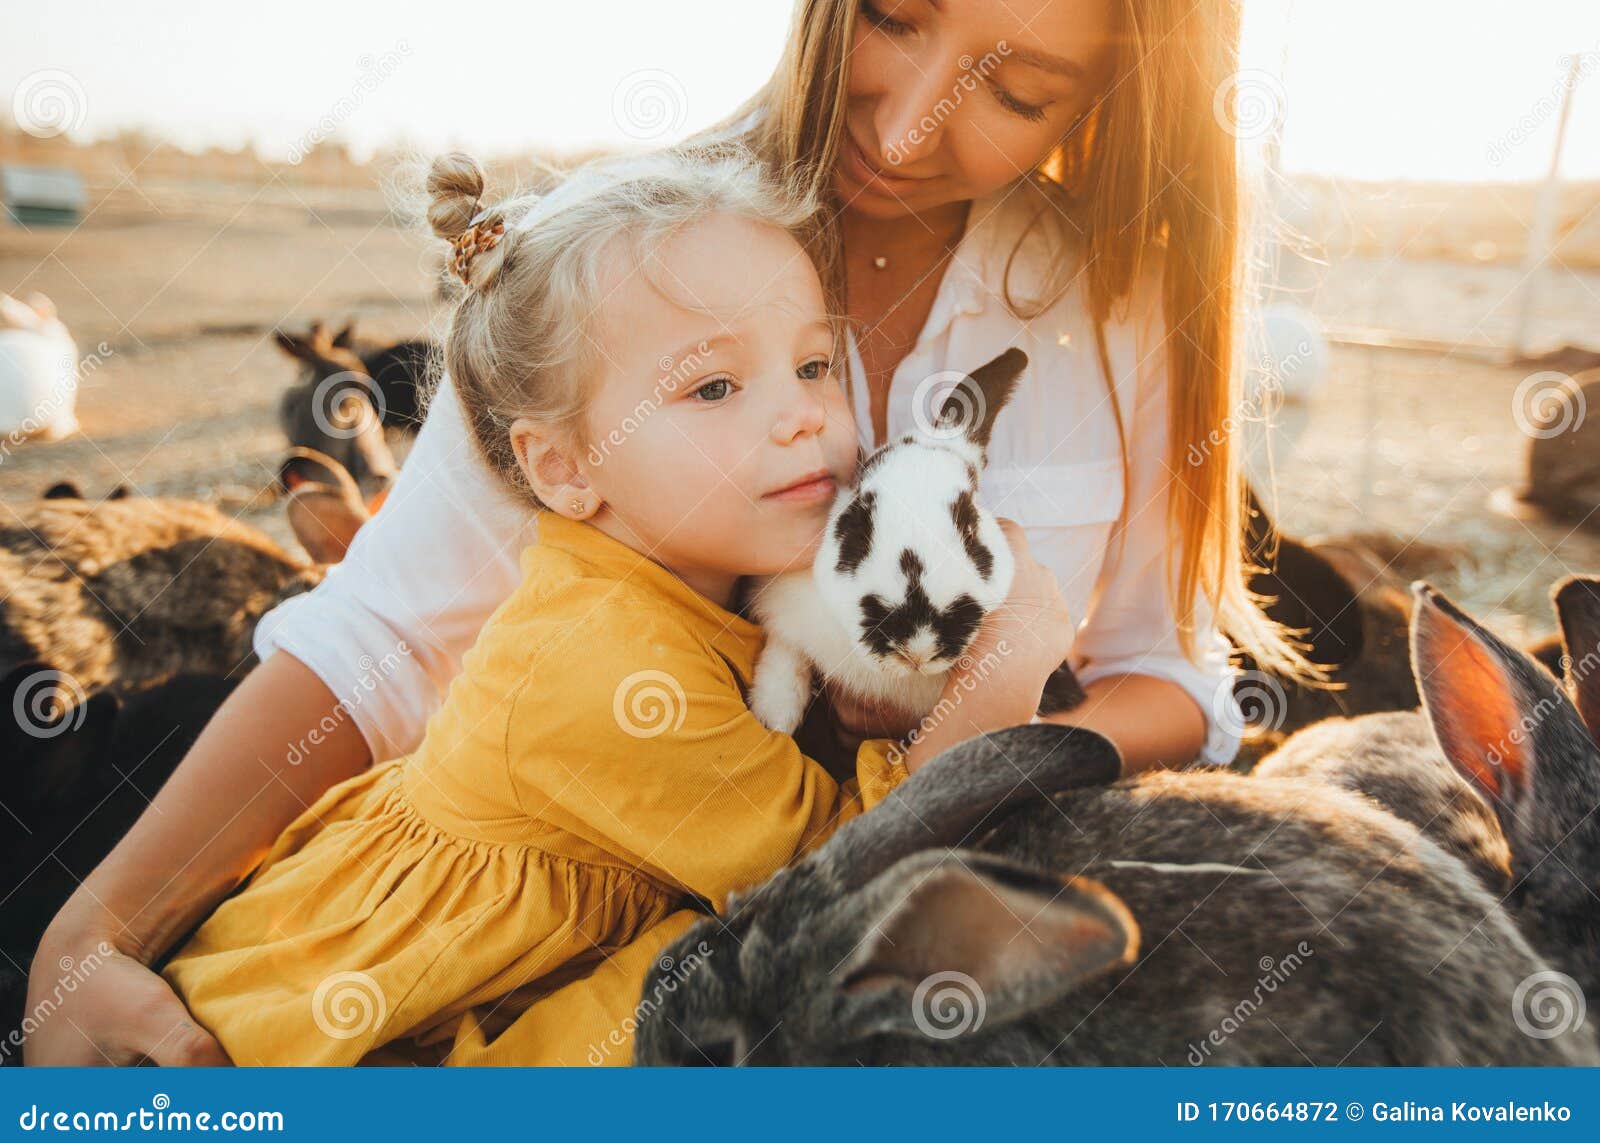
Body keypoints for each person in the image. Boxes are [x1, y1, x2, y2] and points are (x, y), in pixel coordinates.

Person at [27, 0, 1305, 1065]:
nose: (911, 123)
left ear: (1111, 106)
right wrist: (93, 934)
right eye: (891, 16)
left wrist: (996, 740)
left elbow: (1171, 678)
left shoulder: (1125, 307)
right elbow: (378, 641)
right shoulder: (604, 264)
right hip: (618, 983)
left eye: (1015, 92)